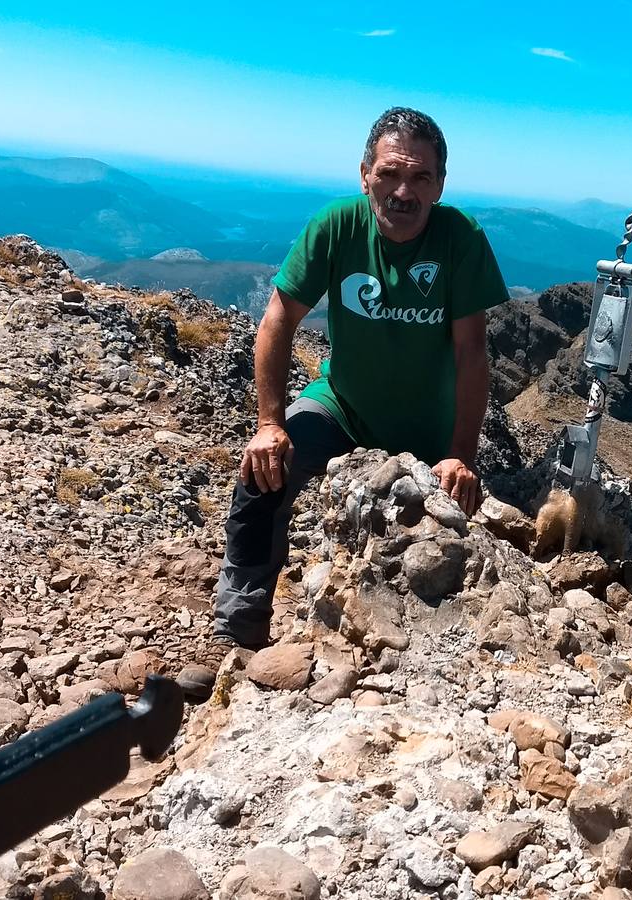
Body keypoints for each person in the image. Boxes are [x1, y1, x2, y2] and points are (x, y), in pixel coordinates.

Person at [179, 107, 509, 700]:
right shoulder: (334, 227)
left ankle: (407, 664)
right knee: (261, 476)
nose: (403, 191)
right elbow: (279, 318)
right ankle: (241, 630)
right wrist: (269, 423)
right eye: (390, 174)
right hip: (342, 405)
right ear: (364, 174)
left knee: (434, 542)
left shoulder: (461, 239)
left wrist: (461, 453)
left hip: (426, 432)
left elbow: (471, 353)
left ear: (440, 185)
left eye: (421, 178)